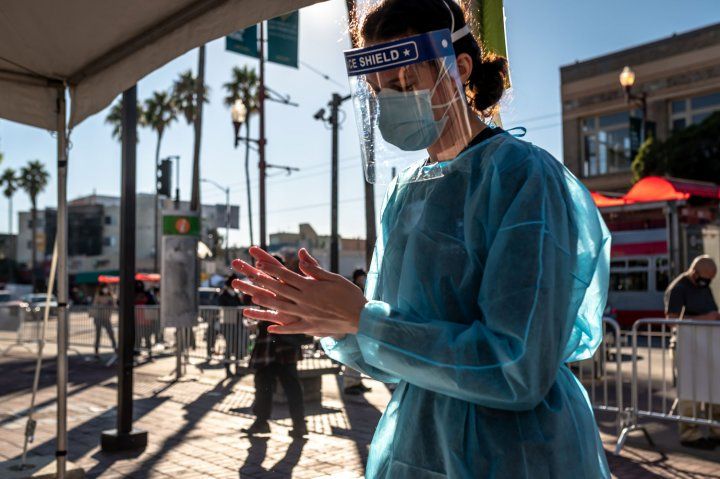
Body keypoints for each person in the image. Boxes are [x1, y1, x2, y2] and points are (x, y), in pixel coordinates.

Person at [231, 1, 611, 477]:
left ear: (459, 68)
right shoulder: (407, 192)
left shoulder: (523, 178)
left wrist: (363, 322)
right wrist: (331, 320)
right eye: (379, 89)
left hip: (517, 454)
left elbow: (517, 368)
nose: (391, 99)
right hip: (417, 448)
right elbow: (396, 357)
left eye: (405, 84)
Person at [241, 255, 308, 439]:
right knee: (267, 386)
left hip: (281, 344)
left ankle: (297, 425)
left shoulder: (286, 288)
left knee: (287, 386)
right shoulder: (266, 288)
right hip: (271, 345)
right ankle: (264, 422)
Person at [665, 254, 720, 449]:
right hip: (687, 347)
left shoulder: (703, 287)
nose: (707, 283)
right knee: (690, 392)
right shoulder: (678, 288)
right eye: (705, 279)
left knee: (715, 389)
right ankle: (690, 434)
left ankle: (716, 430)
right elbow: (672, 320)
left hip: (708, 345)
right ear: (694, 272)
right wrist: (707, 318)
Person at [343, 269, 371, 395]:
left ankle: (357, 382)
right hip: (352, 326)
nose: (363, 279)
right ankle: (350, 384)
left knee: (358, 357)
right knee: (351, 357)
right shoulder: (353, 289)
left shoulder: (365, 289)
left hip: (360, 327)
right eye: (361, 277)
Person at [91, 285, 117, 359]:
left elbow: (114, 305)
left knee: (111, 334)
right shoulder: (98, 295)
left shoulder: (111, 295)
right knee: (98, 335)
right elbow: (95, 305)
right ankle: (96, 351)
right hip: (98, 318)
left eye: (107, 288)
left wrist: (111, 304)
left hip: (106, 318)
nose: (105, 289)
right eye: (104, 288)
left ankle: (116, 349)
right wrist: (103, 305)